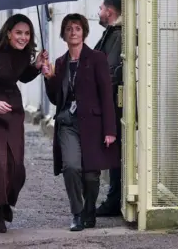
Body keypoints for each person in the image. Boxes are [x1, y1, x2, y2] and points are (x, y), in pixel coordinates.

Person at [0, 13, 47, 233]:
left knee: (16, 167)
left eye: (27, 33)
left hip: (12, 111)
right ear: (8, 33)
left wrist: (37, 65)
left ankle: (5, 201)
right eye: (18, 33)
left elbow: (22, 77)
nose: (23, 37)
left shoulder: (23, 54)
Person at [42, 13, 120, 231]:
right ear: (63, 34)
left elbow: (106, 95)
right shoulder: (60, 62)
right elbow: (56, 98)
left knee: (91, 175)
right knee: (71, 167)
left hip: (93, 124)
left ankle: (89, 210)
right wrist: (49, 78)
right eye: (68, 28)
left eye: (77, 28)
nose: (73, 32)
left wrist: (110, 130)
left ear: (84, 32)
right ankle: (77, 213)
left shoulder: (97, 58)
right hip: (68, 123)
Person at [94, 0, 123, 217]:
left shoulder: (118, 35)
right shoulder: (112, 34)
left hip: (115, 104)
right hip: (111, 102)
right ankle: (115, 198)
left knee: (116, 152)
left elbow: (110, 71)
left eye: (101, 8)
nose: (99, 12)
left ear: (109, 11)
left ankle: (114, 200)